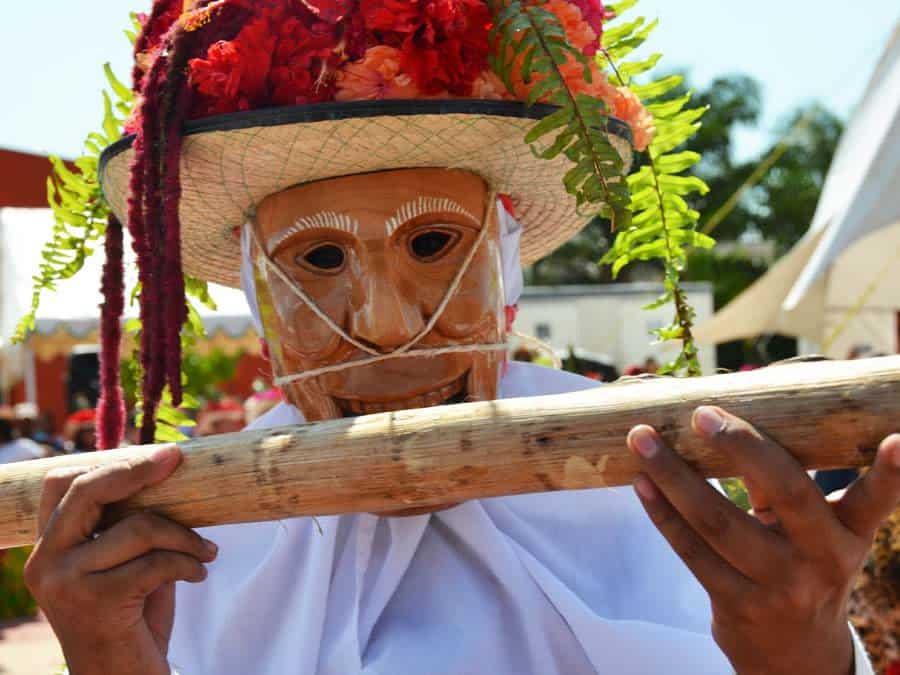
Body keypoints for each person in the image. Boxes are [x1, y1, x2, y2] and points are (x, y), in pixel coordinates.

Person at [23, 3, 897, 674]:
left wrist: (804, 655)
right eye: (318, 257)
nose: (387, 327)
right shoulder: (189, 554)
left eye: (434, 243)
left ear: (508, 270)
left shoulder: (652, 484)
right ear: (257, 298)